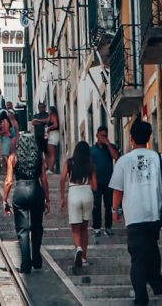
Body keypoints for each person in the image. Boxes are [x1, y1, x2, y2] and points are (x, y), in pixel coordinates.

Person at [110, 119, 162, 306]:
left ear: (131, 139)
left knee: (137, 257)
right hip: (154, 214)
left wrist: (115, 210)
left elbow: (117, 190)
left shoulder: (123, 161)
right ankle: (156, 282)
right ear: (148, 138)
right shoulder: (159, 158)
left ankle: (141, 297)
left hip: (134, 216)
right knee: (152, 247)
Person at [2, 132, 50, 274]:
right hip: (36, 190)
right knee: (36, 227)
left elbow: (9, 181)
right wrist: (47, 198)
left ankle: (25, 264)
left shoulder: (13, 157)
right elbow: (44, 179)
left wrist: (4, 200)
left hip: (20, 192)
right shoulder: (39, 157)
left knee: (23, 231)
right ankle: (36, 258)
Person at [61, 141, 98, 269]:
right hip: (87, 193)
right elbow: (95, 185)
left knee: (75, 229)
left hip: (74, 192)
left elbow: (61, 179)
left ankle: (78, 249)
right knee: (84, 228)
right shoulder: (90, 164)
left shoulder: (69, 162)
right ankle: (84, 258)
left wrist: (62, 197)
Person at [90, 125, 120, 237]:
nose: (103, 137)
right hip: (96, 182)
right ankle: (96, 228)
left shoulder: (111, 147)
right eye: (102, 135)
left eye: (105, 136)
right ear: (97, 135)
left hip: (109, 181)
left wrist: (108, 144)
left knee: (109, 205)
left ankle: (108, 227)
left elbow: (116, 157)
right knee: (96, 205)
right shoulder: (91, 150)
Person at [45, 106, 61, 174]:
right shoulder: (50, 116)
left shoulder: (53, 115)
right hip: (52, 135)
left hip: (53, 135)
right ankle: (50, 168)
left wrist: (49, 128)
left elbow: (56, 125)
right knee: (50, 152)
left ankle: (51, 169)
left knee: (52, 153)